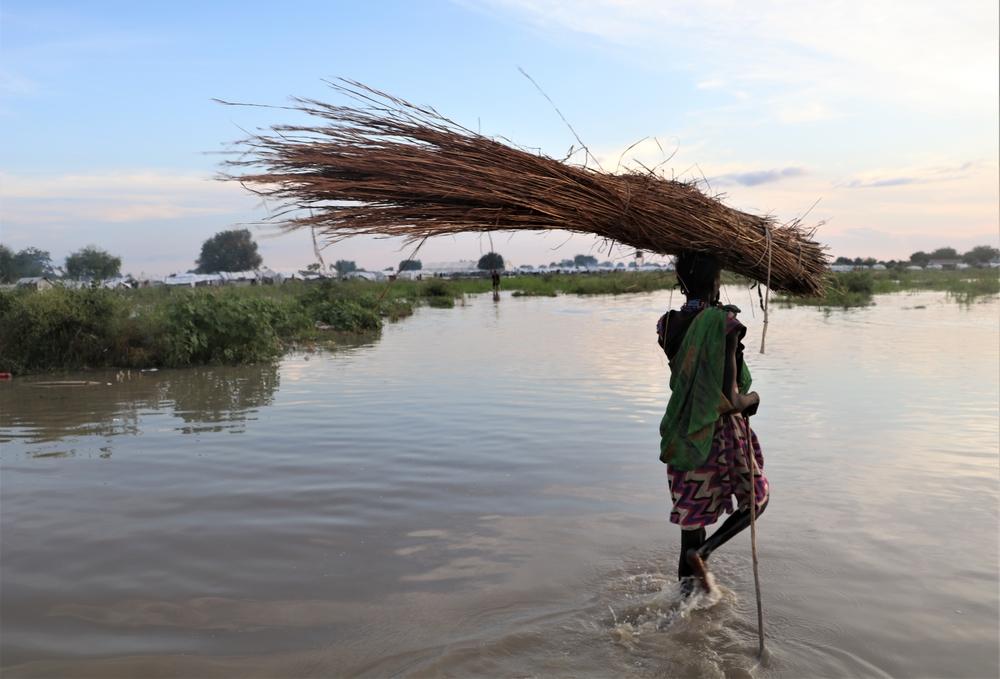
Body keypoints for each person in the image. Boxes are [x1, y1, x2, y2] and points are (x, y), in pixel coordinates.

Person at [656, 251, 769, 594]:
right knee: (758, 500)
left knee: (691, 524)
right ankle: (704, 552)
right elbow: (730, 400)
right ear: (716, 282)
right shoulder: (725, 324)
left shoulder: (667, 325)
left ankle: (683, 609)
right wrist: (754, 399)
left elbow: (692, 379)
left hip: (683, 432)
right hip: (719, 434)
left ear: (681, 282)